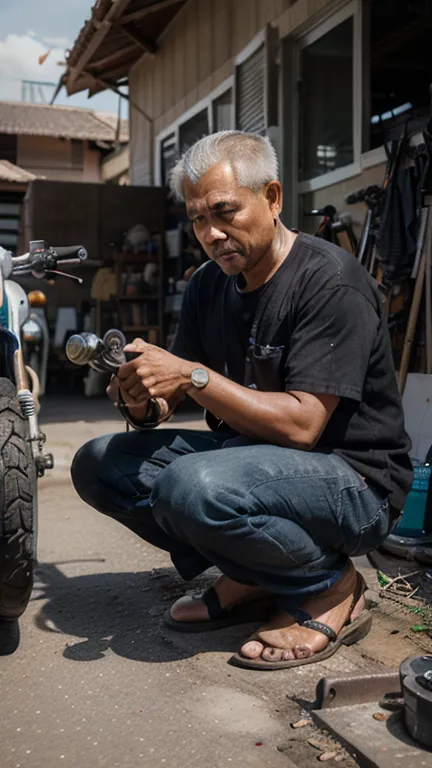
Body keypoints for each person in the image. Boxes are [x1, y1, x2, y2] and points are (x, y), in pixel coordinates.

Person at [71, 131, 413, 670]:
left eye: (224, 212)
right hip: (256, 466)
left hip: (354, 481)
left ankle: (328, 584)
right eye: (198, 219)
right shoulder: (210, 283)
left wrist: (193, 375)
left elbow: (303, 426)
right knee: (99, 465)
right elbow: (173, 394)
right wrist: (141, 397)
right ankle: (255, 574)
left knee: (191, 488)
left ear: (272, 198)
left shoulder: (329, 280)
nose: (210, 233)